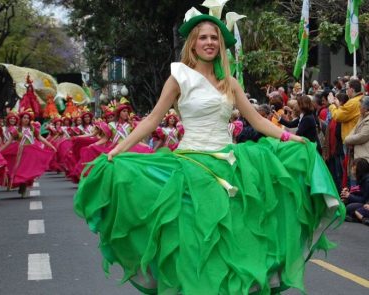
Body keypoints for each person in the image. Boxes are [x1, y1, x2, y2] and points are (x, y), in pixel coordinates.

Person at [74, 8, 344, 295]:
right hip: (189, 169)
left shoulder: (230, 83)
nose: (209, 42)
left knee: (234, 241)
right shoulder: (178, 77)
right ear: (193, 43)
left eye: (214, 37)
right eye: (203, 37)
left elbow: (258, 121)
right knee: (192, 242)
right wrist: (118, 148)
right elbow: (153, 119)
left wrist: (290, 137)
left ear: (220, 44)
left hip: (231, 167)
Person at [340, 158, 369, 224]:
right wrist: (348, 190)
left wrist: (349, 196)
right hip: (364, 202)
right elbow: (358, 189)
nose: (352, 168)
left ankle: (359, 217)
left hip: (366, 203)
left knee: (349, 207)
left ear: (360, 168)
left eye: (354, 166)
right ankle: (354, 216)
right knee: (343, 203)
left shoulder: (367, 181)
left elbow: (364, 199)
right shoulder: (362, 178)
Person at [344, 96, 369, 164]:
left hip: (365, 159)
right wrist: (349, 140)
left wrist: (347, 140)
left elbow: (361, 137)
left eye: (360, 106)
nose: (359, 108)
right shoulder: (362, 117)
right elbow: (354, 130)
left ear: (366, 109)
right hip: (359, 157)